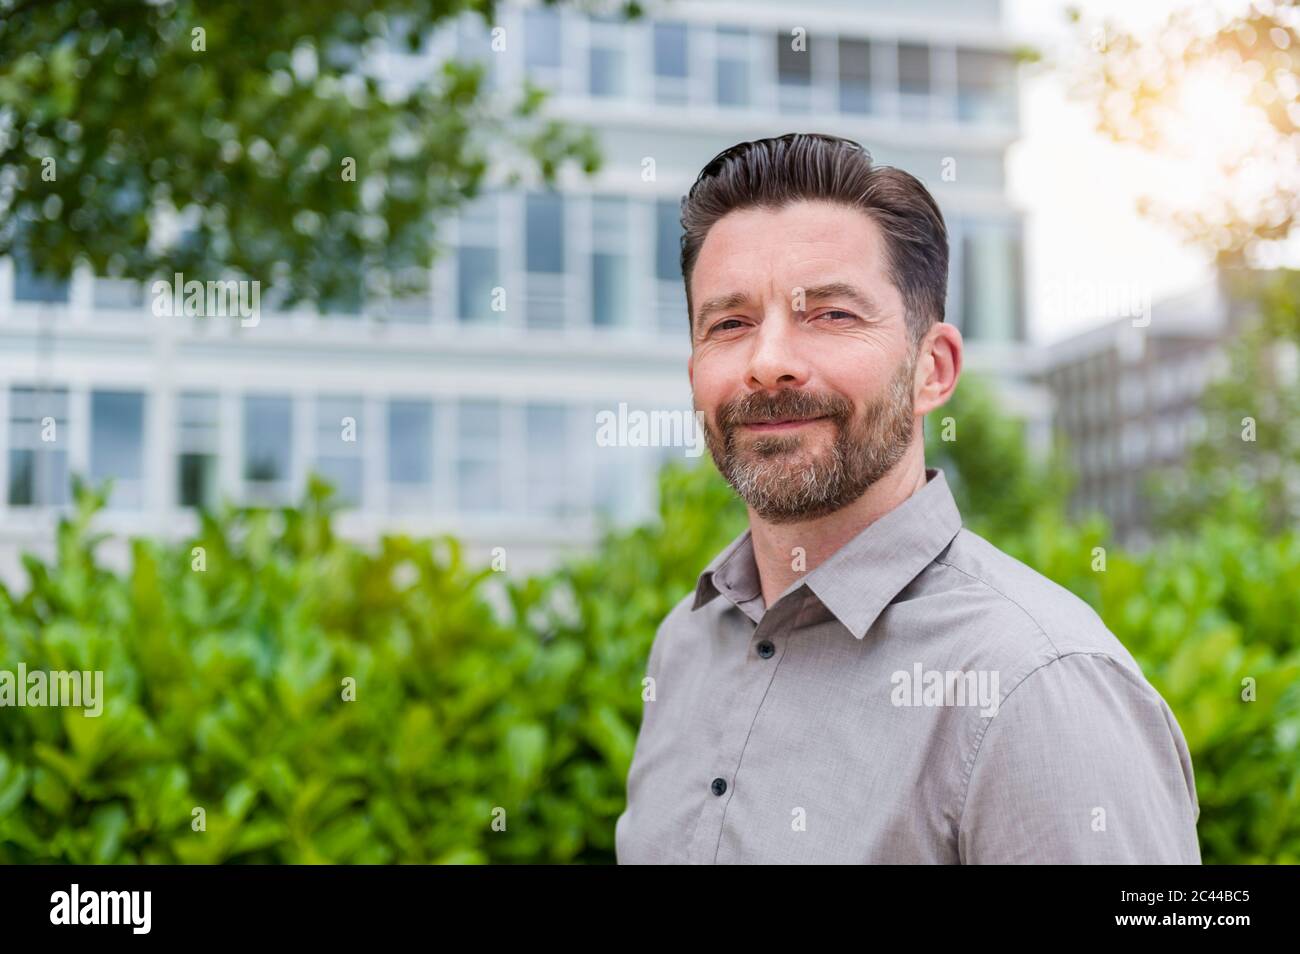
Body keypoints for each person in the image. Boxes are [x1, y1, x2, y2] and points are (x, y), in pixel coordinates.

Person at [614, 132, 1201, 864]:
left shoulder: (1037, 687)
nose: (768, 363)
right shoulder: (684, 646)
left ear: (934, 368)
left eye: (830, 314)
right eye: (729, 324)